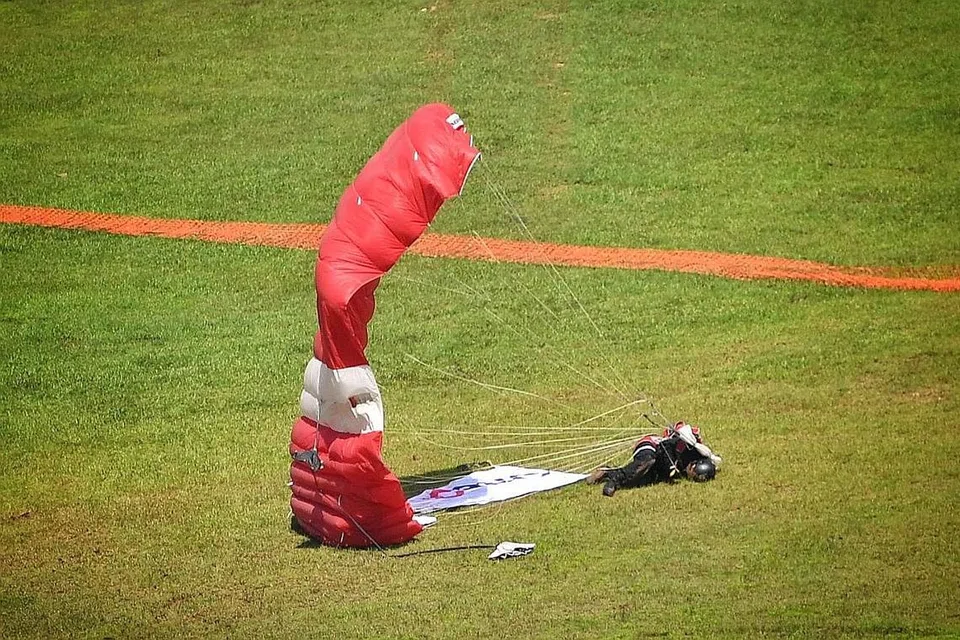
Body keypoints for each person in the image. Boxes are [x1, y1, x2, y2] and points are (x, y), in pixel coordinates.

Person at [587, 422, 722, 496]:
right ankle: (613, 481)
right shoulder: (687, 447)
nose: (689, 474)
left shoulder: (695, 461)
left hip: (659, 465)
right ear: (694, 464)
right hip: (652, 445)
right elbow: (664, 446)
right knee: (646, 463)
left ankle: (609, 472)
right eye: (693, 472)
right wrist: (670, 465)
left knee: (643, 479)